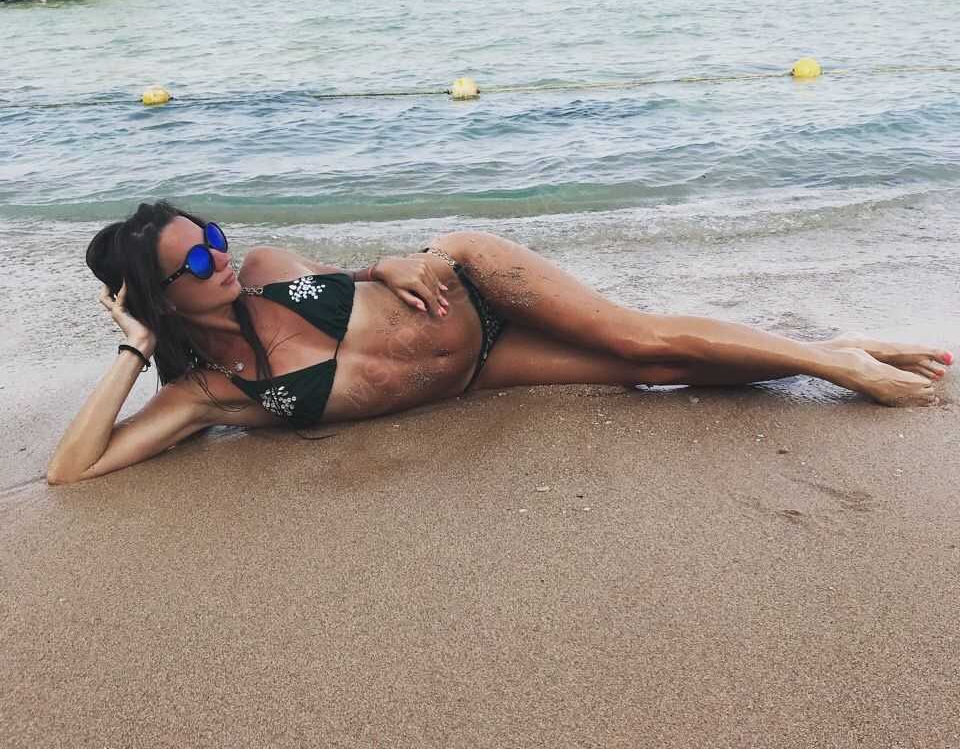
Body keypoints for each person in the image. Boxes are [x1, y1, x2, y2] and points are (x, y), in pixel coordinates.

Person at [46, 202, 951, 485]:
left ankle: (836, 364)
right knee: (660, 371)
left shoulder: (270, 269)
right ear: (159, 302)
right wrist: (133, 351)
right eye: (194, 260)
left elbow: (359, 271)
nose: (220, 254)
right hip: (480, 374)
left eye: (210, 234)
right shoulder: (208, 395)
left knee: (639, 339)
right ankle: (838, 342)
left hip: (471, 281)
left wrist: (394, 261)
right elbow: (73, 472)